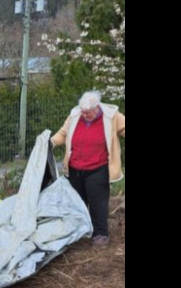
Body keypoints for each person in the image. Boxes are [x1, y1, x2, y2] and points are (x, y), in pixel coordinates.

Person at [51, 91, 126, 246]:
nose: (84, 115)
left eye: (88, 113)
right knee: (76, 202)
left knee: (98, 202)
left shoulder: (112, 116)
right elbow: (63, 134)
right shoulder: (75, 115)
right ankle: (77, 232)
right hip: (75, 168)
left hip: (98, 168)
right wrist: (50, 142)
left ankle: (100, 234)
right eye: (82, 112)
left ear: (97, 107)